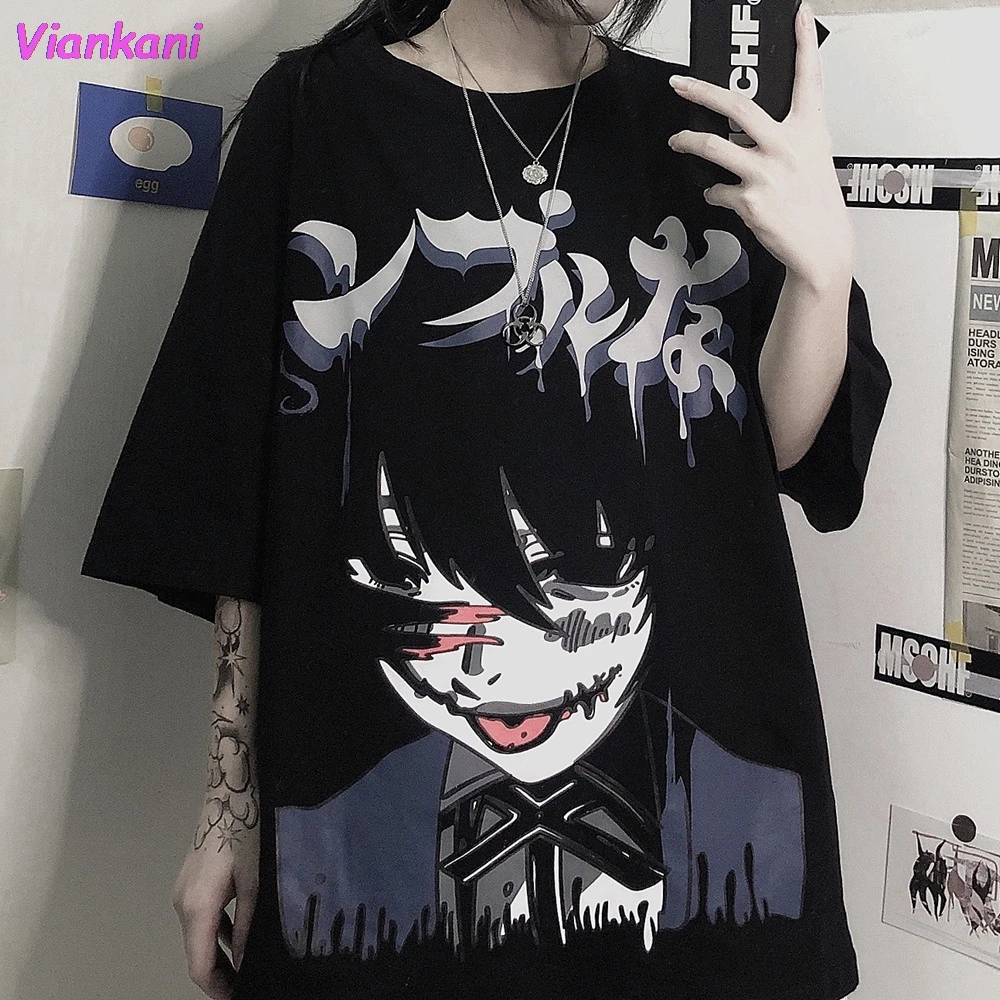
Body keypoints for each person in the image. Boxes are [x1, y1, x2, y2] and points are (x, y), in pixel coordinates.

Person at [80, 0, 891, 996]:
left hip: (702, 879)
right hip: (375, 866)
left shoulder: (703, 120)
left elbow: (778, 448)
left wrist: (822, 273)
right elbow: (235, 487)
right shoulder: (318, 112)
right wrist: (227, 811)